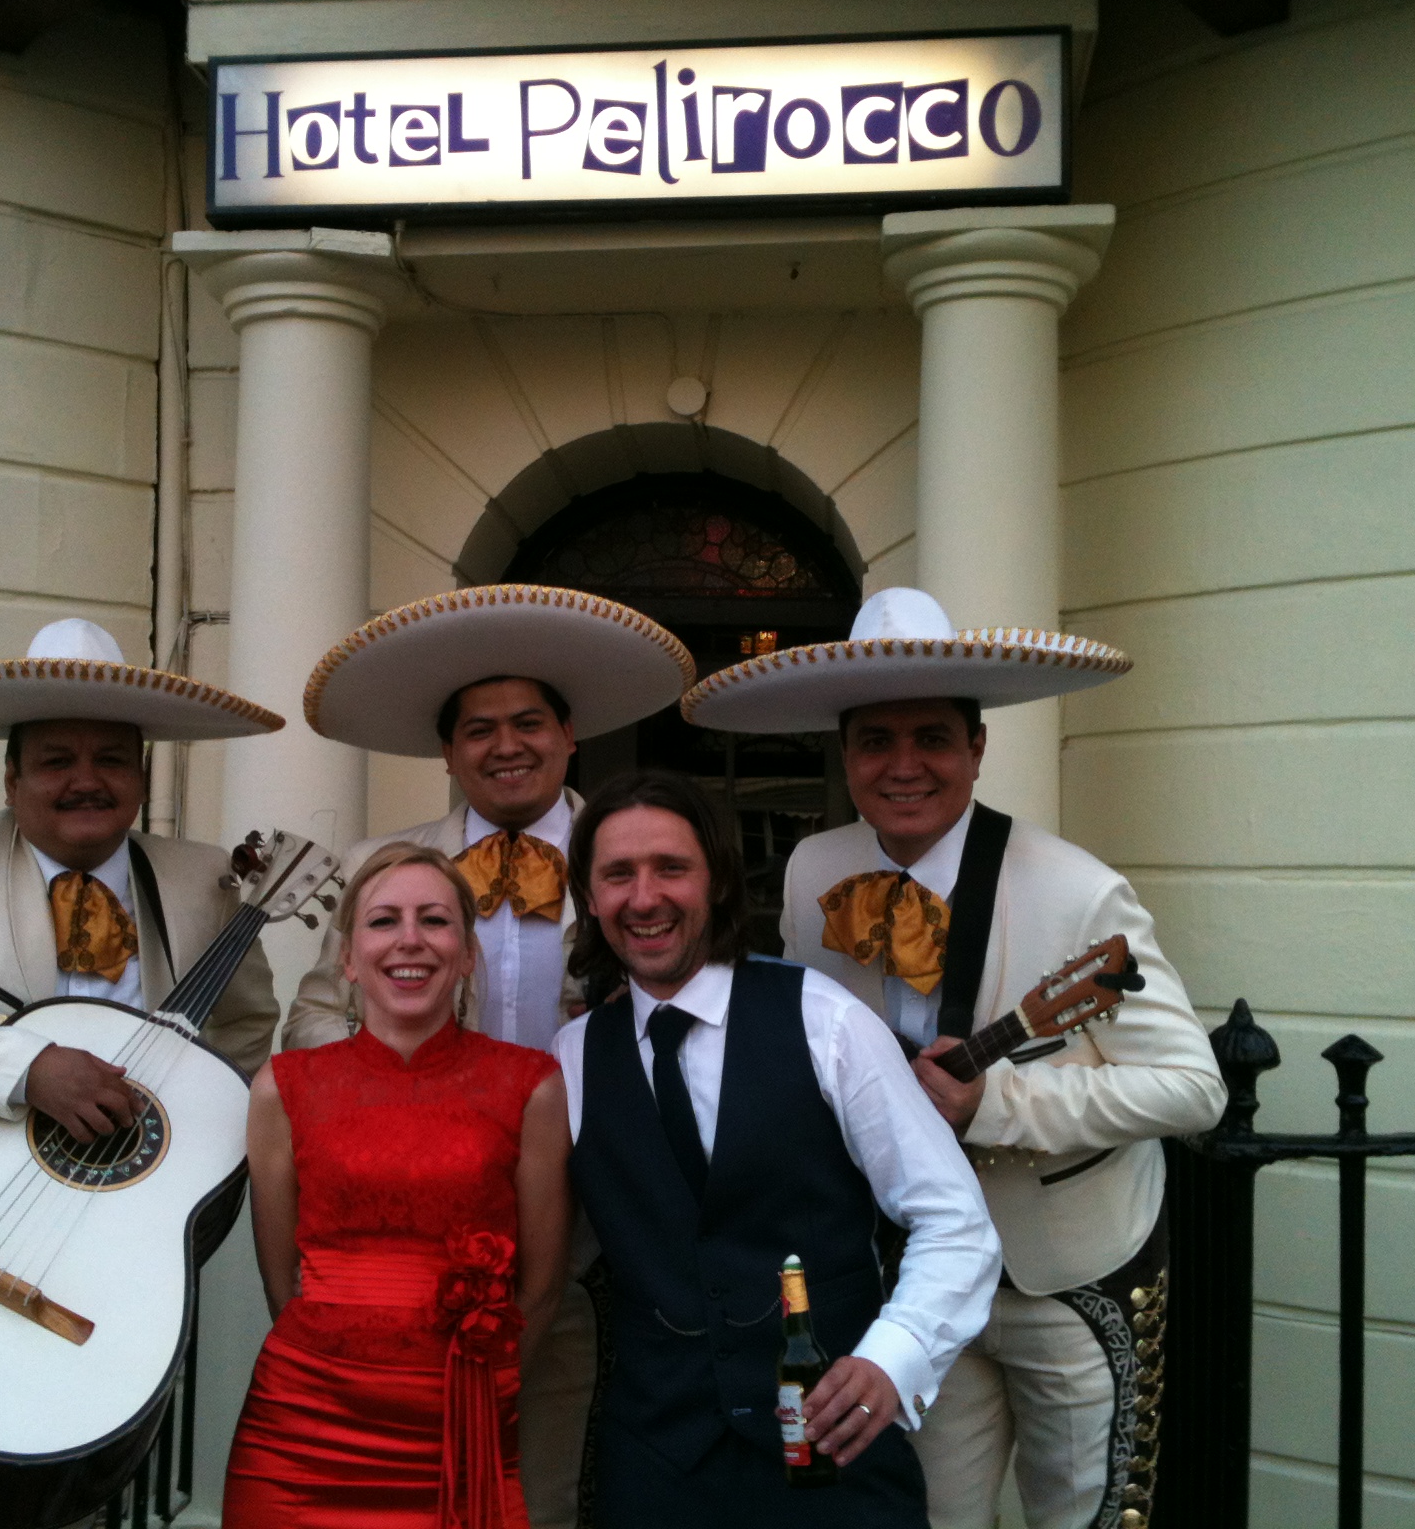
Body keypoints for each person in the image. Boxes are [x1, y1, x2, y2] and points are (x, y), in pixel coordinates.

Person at [682, 587, 1228, 1529]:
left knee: (1086, 1519)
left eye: (932, 738)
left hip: (1067, 1272)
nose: (904, 766)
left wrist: (995, 1104)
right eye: (875, 741)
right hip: (906, 1275)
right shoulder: (816, 871)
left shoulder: (1080, 891)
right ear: (843, 753)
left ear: (977, 748)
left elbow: (1195, 1089)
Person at [288, 583, 694, 1526]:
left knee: (557, 1481)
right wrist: (398, 1101)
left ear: (567, 735)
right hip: (410, 1221)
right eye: (478, 730)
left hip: (599, 1225)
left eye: (526, 723)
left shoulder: (629, 863)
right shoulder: (375, 867)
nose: (504, 746)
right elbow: (310, 1023)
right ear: (447, 751)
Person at [553, 769, 1001, 1529]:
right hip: (657, 1468)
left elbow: (954, 1221)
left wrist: (893, 1359)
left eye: (672, 868)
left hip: (833, 1456)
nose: (644, 896)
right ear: (591, 901)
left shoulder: (826, 1022)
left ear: (719, 883)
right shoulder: (569, 1058)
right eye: (617, 874)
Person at [0, 617, 283, 1149]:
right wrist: (31, 1068)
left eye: (112, 760)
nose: (87, 781)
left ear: (140, 780)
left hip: (131, 1181)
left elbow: (245, 1023)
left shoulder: (204, 878)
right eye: (56, 761)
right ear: (11, 781)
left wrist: (177, 1139)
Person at [226, 841, 573, 1528]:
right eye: (383, 921)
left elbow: (542, 1282)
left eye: (435, 921)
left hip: (460, 1429)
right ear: (348, 957)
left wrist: (487, 1387)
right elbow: (279, 1281)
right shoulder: (283, 1087)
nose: (409, 940)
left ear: (468, 953)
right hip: (301, 1435)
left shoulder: (531, 1084)